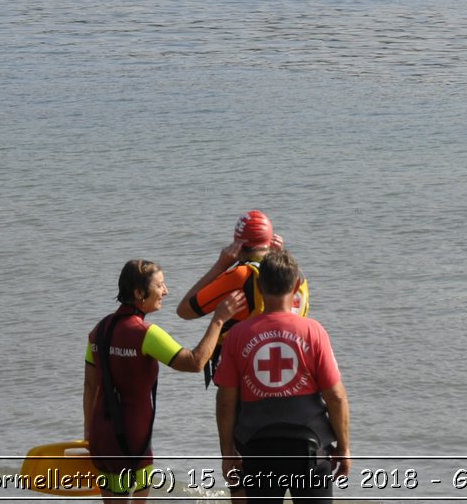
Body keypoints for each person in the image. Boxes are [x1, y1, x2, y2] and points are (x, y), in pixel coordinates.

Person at [85, 259, 243, 500]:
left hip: (100, 437)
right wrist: (218, 320)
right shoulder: (146, 334)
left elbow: (90, 387)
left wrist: (89, 436)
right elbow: (195, 362)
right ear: (139, 293)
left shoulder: (98, 330)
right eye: (160, 285)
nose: (166, 291)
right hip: (134, 440)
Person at [215, 249, 350, 504]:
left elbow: (225, 402)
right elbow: (336, 397)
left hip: (257, 449)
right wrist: (344, 448)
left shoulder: (237, 335)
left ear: (258, 284)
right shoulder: (313, 331)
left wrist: (227, 453)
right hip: (309, 449)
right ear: (297, 284)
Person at [177, 210, 310, 382]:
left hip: (244, 371)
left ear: (238, 245)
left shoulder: (240, 276)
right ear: (271, 240)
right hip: (289, 365)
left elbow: (185, 310)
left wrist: (221, 265)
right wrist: (280, 255)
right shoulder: (296, 274)